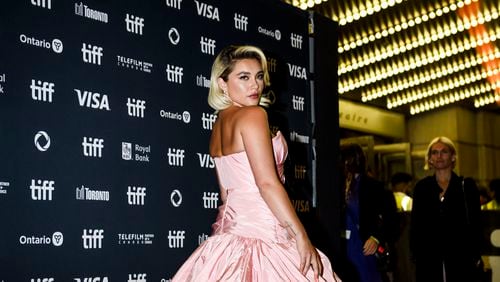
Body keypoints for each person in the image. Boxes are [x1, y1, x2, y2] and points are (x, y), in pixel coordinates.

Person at [171, 45, 341, 281]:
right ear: (222, 83)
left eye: (259, 76)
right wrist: (301, 235)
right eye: (244, 77)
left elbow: (225, 193)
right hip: (266, 233)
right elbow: (267, 183)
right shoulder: (254, 115)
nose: (255, 85)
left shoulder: (218, 124)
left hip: (227, 237)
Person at [409, 136, 482, 282]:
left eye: (444, 152)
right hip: (429, 261)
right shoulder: (422, 187)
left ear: (453, 157)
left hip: (461, 260)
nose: (439, 156)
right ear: (429, 159)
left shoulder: (467, 186)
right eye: (434, 153)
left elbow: (476, 223)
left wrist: (475, 254)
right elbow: (416, 225)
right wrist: (417, 255)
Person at [338, 143, 399, 282]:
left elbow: (392, 220)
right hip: (340, 247)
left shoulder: (374, 187)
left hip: (363, 248)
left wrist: (376, 238)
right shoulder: (335, 184)